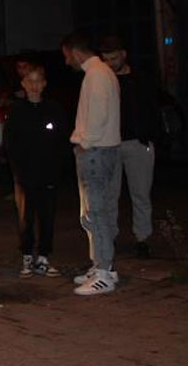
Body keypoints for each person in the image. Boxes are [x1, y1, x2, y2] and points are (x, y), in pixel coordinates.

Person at [62, 31, 122, 296]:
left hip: (96, 151)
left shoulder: (96, 75)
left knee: (96, 212)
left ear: (75, 52)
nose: (66, 62)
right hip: (103, 150)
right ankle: (102, 265)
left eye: (66, 56)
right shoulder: (102, 72)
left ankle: (104, 272)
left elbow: (97, 116)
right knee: (98, 212)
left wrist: (85, 142)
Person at [99, 35, 161, 260]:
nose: (110, 63)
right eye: (105, 59)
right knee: (109, 195)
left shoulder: (140, 78)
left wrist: (151, 137)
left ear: (123, 54)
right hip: (110, 143)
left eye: (113, 58)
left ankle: (143, 238)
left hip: (137, 142)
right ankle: (110, 238)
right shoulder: (103, 80)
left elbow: (153, 106)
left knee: (141, 193)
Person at [4, 65, 68, 278]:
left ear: (44, 84)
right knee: (26, 216)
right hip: (25, 173)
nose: (33, 86)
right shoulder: (16, 111)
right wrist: (17, 169)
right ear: (23, 84)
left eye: (37, 81)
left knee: (47, 215)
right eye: (29, 81)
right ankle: (27, 255)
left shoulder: (53, 109)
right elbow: (10, 142)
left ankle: (43, 257)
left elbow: (61, 141)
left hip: (48, 172)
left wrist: (58, 165)